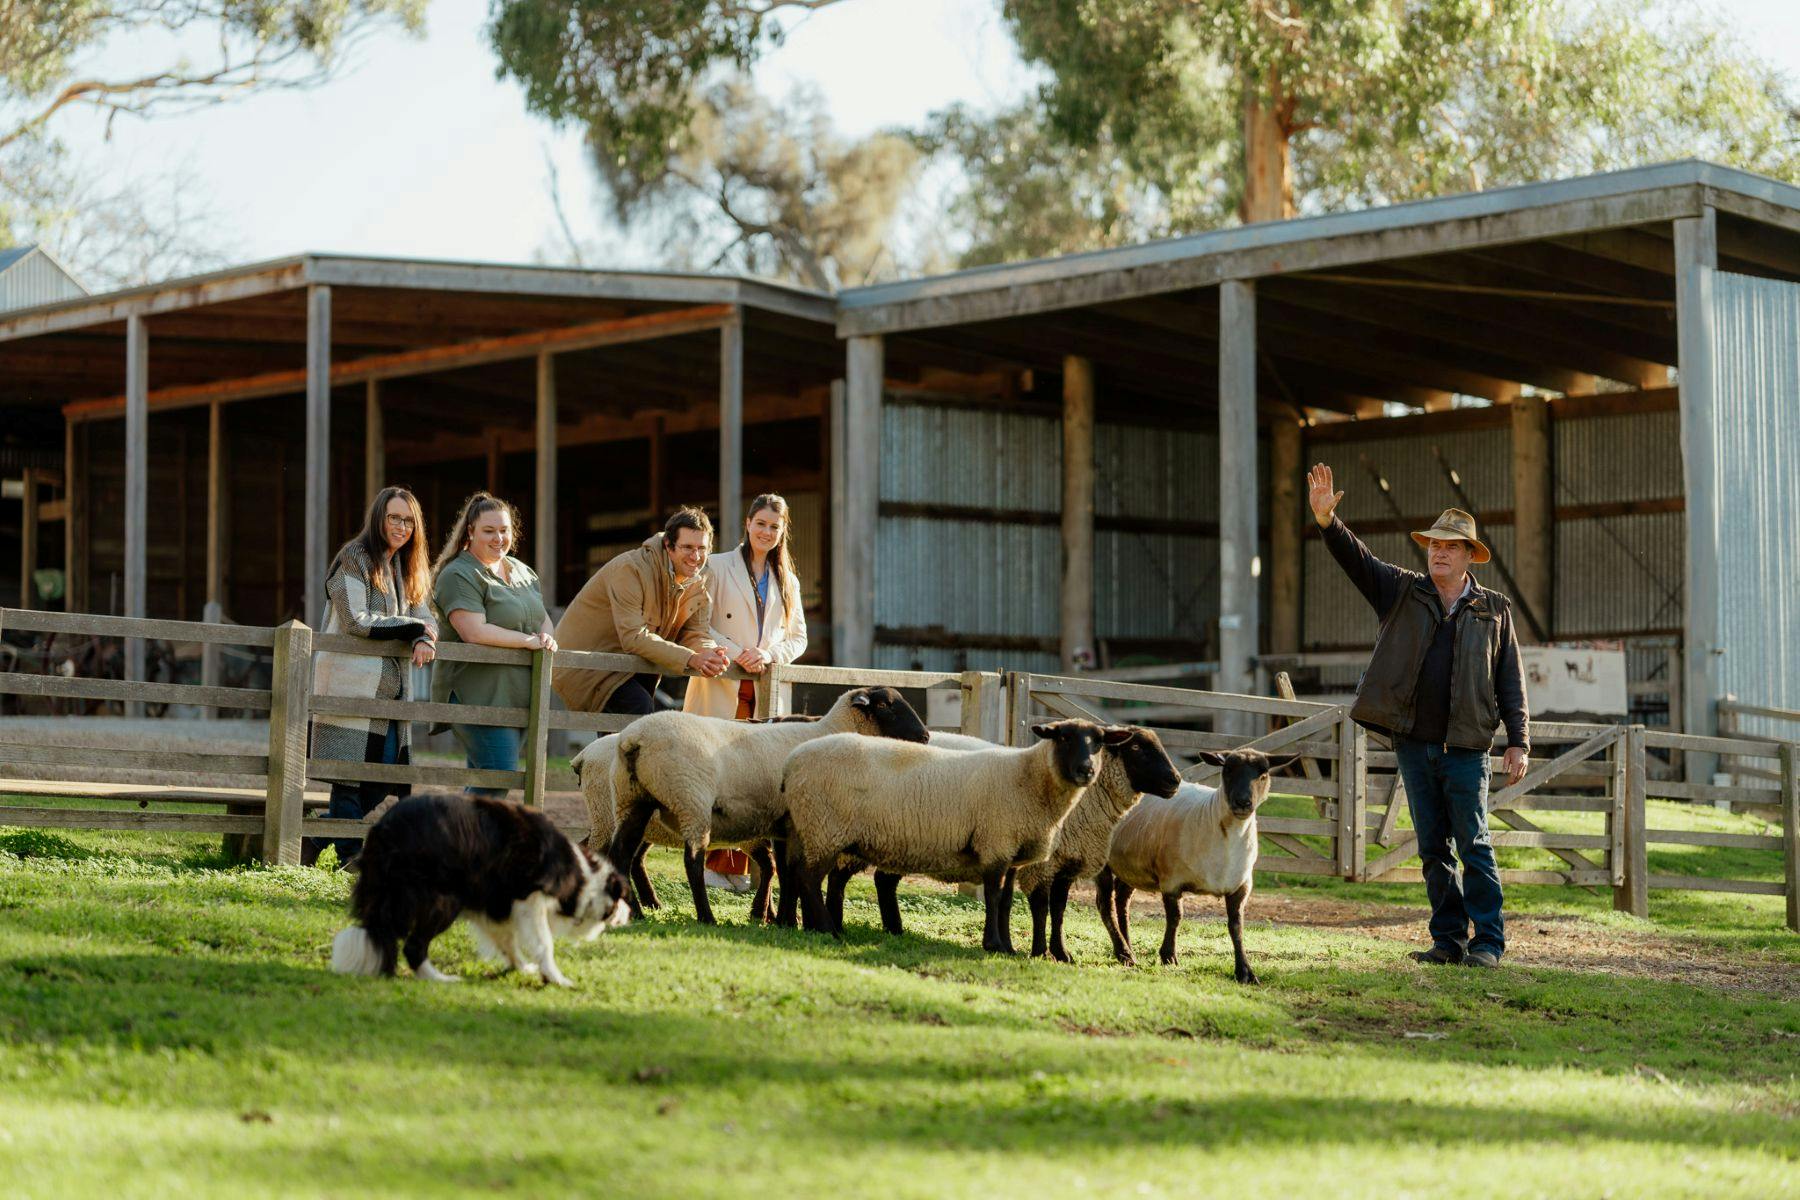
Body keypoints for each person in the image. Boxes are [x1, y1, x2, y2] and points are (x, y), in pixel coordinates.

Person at [1308, 463, 1529, 969]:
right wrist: (1328, 522)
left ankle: (1489, 942)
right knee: (1433, 849)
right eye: (1433, 545)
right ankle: (1448, 940)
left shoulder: (1494, 609)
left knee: (1473, 843)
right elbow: (1358, 562)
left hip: (1468, 749)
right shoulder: (1403, 592)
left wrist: (1519, 738)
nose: (1439, 553)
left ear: (1470, 555)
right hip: (1415, 745)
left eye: (1450, 546)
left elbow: (1510, 680)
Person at [682, 494, 810, 891]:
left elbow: (798, 637)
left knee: (757, 779)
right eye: (760, 524)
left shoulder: (788, 580)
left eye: (774, 526)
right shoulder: (717, 566)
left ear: (782, 530)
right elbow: (699, 623)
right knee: (716, 771)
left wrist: (769, 654)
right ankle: (708, 863)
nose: (766, 532)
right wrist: (740, 655)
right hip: (724, 679)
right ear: (747, 523)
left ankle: (737, 868)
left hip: (764, 685)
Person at [306, 486, 437, 867]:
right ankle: (352, 859)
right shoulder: (354, 558)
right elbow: (355, 620)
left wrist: (424, 632)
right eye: (394, 518)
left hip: (390, 694)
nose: (401, 526)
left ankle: (316, 837)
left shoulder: (407, 567)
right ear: (379, 518)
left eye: (408, 520)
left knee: (386, 775)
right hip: (349, 685)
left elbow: (427, 616)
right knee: (348, 776)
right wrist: (414, 629)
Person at [430, 492, 558, 799]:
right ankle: (452, 837)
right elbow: (474, 631)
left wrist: (546, 638)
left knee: (487, 779)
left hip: (518, 692)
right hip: (478, 694)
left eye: (504, 530)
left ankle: (466, 844)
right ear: (470, 532)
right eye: (489, 531)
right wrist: (528, 643)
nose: (498, 538)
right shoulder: (458, 574)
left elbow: (542, 618)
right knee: (499, 776)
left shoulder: (523, 571)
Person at [552, 506, 730, 720]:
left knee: (629, 736)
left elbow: (695, 632)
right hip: (589, 666)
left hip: (636, 667)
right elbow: (633, 637)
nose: (696, 556)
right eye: (688, 547)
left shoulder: (700, 579)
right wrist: (691, 658)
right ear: (668, 546)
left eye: (702, 548)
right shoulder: (631, 569)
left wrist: (709, 654)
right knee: (638, 711)